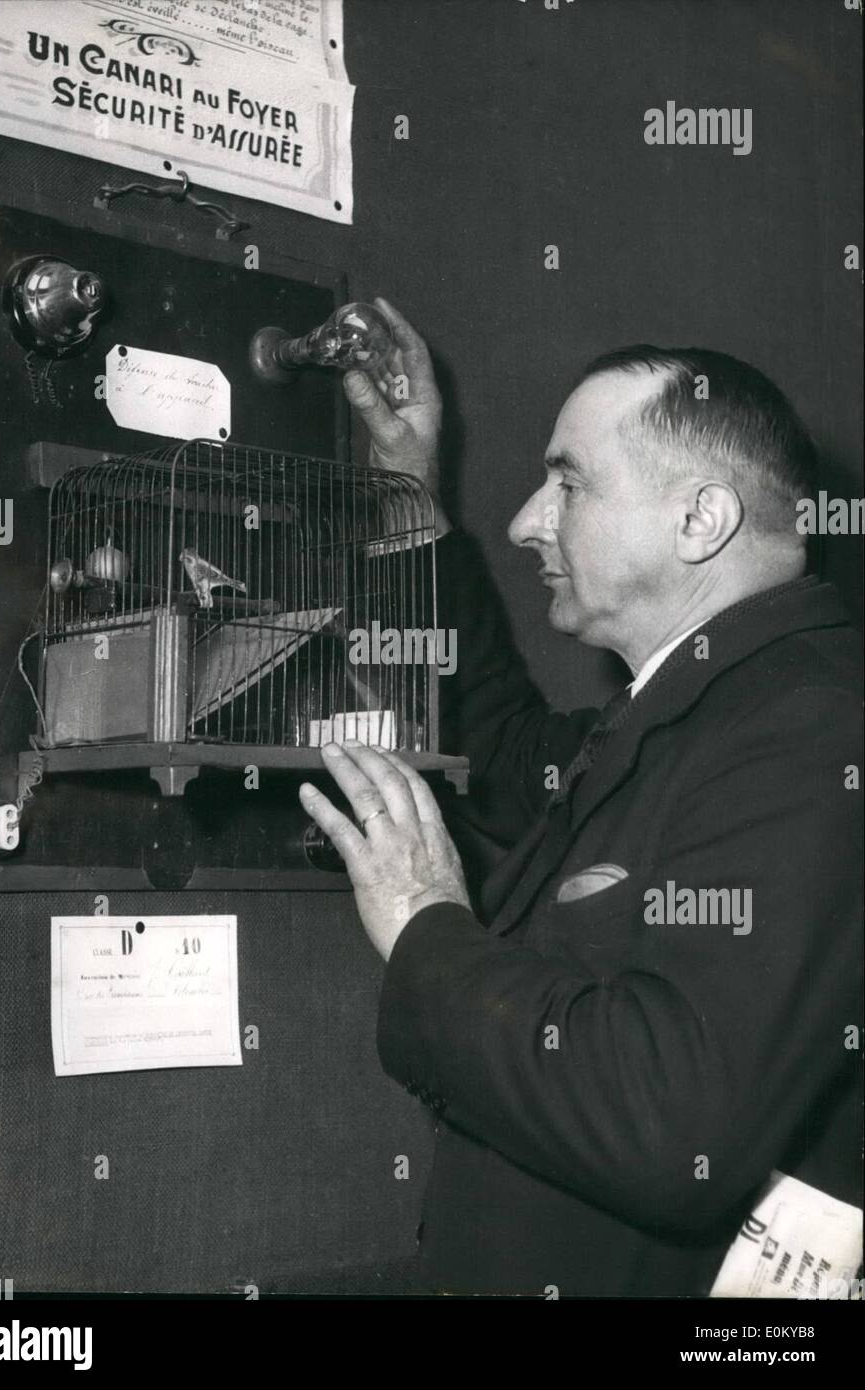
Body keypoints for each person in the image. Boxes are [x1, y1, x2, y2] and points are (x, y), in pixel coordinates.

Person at [298, 299, 863, 1297]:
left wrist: (427, 923)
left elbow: (671, 1123)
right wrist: (406, 486)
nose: (525, 521)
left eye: (568, 483)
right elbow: (502, 744)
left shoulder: (815, 728)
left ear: (700, 519)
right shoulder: (700, 710)